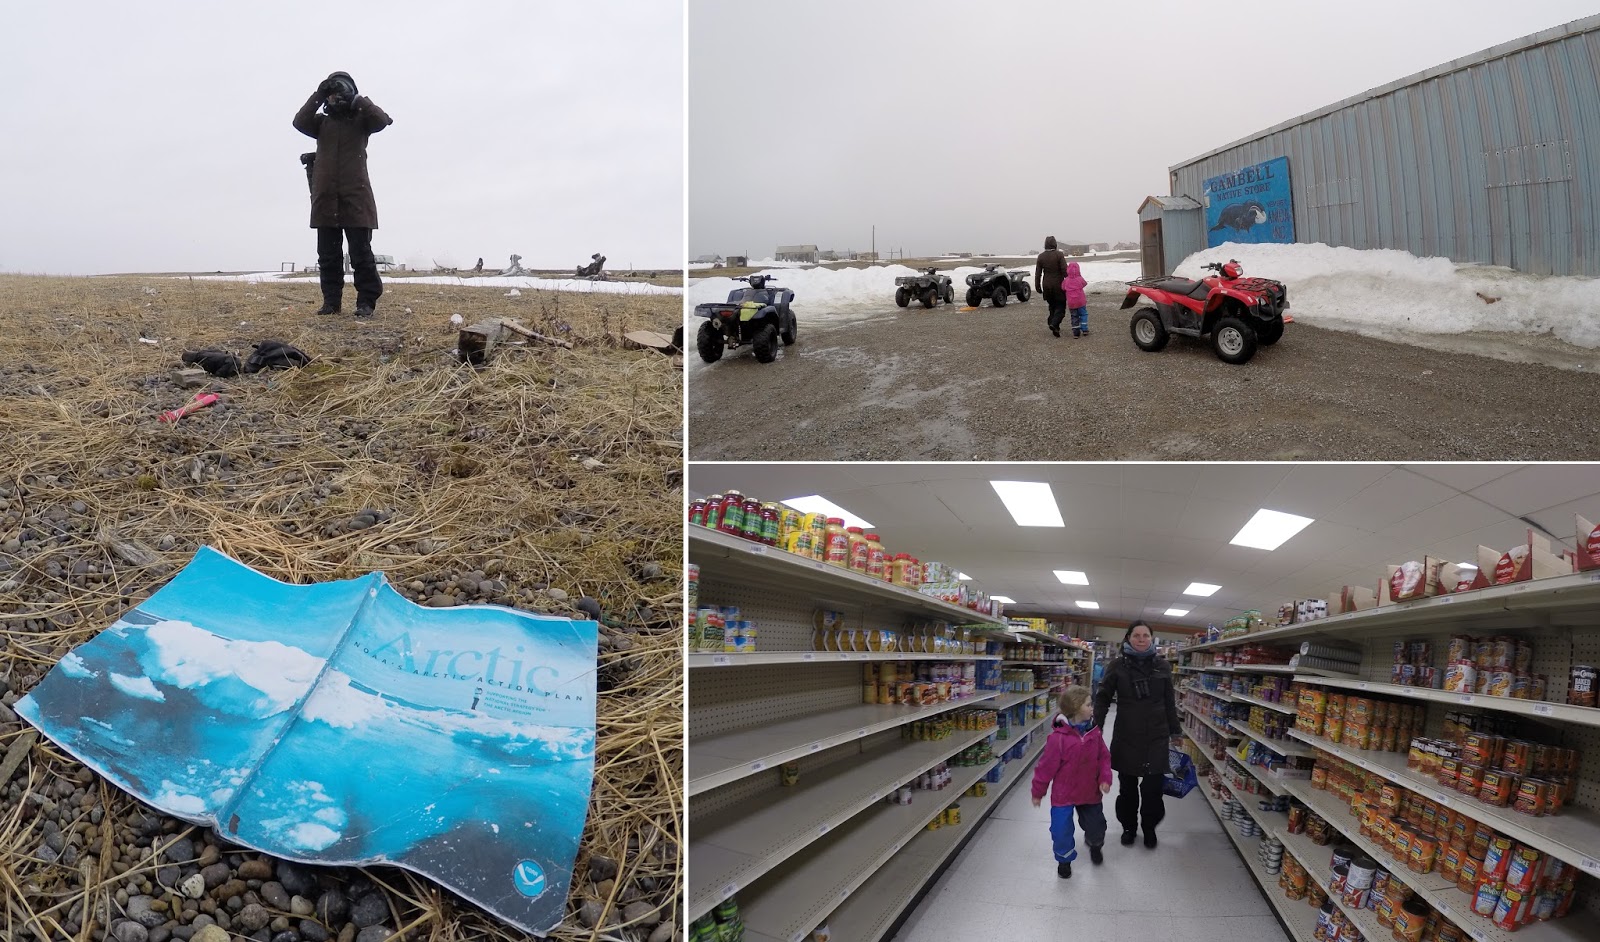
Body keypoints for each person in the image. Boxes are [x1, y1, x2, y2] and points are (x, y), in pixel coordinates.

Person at [294, 71, 393, 317]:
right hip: (326, 199)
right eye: (332, 94)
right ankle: (331, 302)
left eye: (340, 92)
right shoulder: (321, 124)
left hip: (355, 197)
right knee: (328, 256)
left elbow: (382, 120)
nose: (335, 97)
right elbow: (299, 121)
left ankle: (366, 302)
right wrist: (319, 93)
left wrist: (357, 98)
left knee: (361, 254)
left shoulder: (361, 120)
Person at [1093, 620, 1181, 849]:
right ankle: (1129, 828)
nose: (1141, 639)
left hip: (1157, 736)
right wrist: (1096, 727)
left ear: (1152, 639)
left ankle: (1149, 828)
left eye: (1145, 636)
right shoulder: (1116, 666)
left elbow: (1169, 701)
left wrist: (1175, 731)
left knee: (1153, 789)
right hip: (1127, 736)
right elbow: (1102, 698)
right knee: (1127, 788)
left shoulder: (1162, 666)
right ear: (1128, 638)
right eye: (1137, 636)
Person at [1030, 684, 1111, 878]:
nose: (1092, 708)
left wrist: (1105, 778)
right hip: (1063, 793)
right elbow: (1045, 768)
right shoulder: (1058, 739)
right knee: (1060, 830)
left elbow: (1104, 757)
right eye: (1088, 704)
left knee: (1096, 825)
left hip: (1089, 791)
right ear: (1075, 708)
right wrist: (1037, 792)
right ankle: (1064, 860)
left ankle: (1095, 844)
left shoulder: (1094, 733)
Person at [1035, 236, 1069, 337]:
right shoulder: (1059, 255)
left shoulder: (1041, 256)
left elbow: (1038, 273)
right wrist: (1070, 281)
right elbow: (1064, 271)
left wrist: (1037, 286)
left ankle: (1054, 326)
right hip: (1058, 285)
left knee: (1052, 305)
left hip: (1046, 285)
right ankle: (1054, 323)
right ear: (1055, 244)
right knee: (1061, 307)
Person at [1064, 260, 1089, 337]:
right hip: (1081, 301)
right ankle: (1084, 329)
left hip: (1071, 303)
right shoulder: (1079, 279)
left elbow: (1063, 287)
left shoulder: (1066, 280)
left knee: (1074, 316)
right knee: (1083, 314)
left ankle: (1076, 332)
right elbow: (1085, 283)